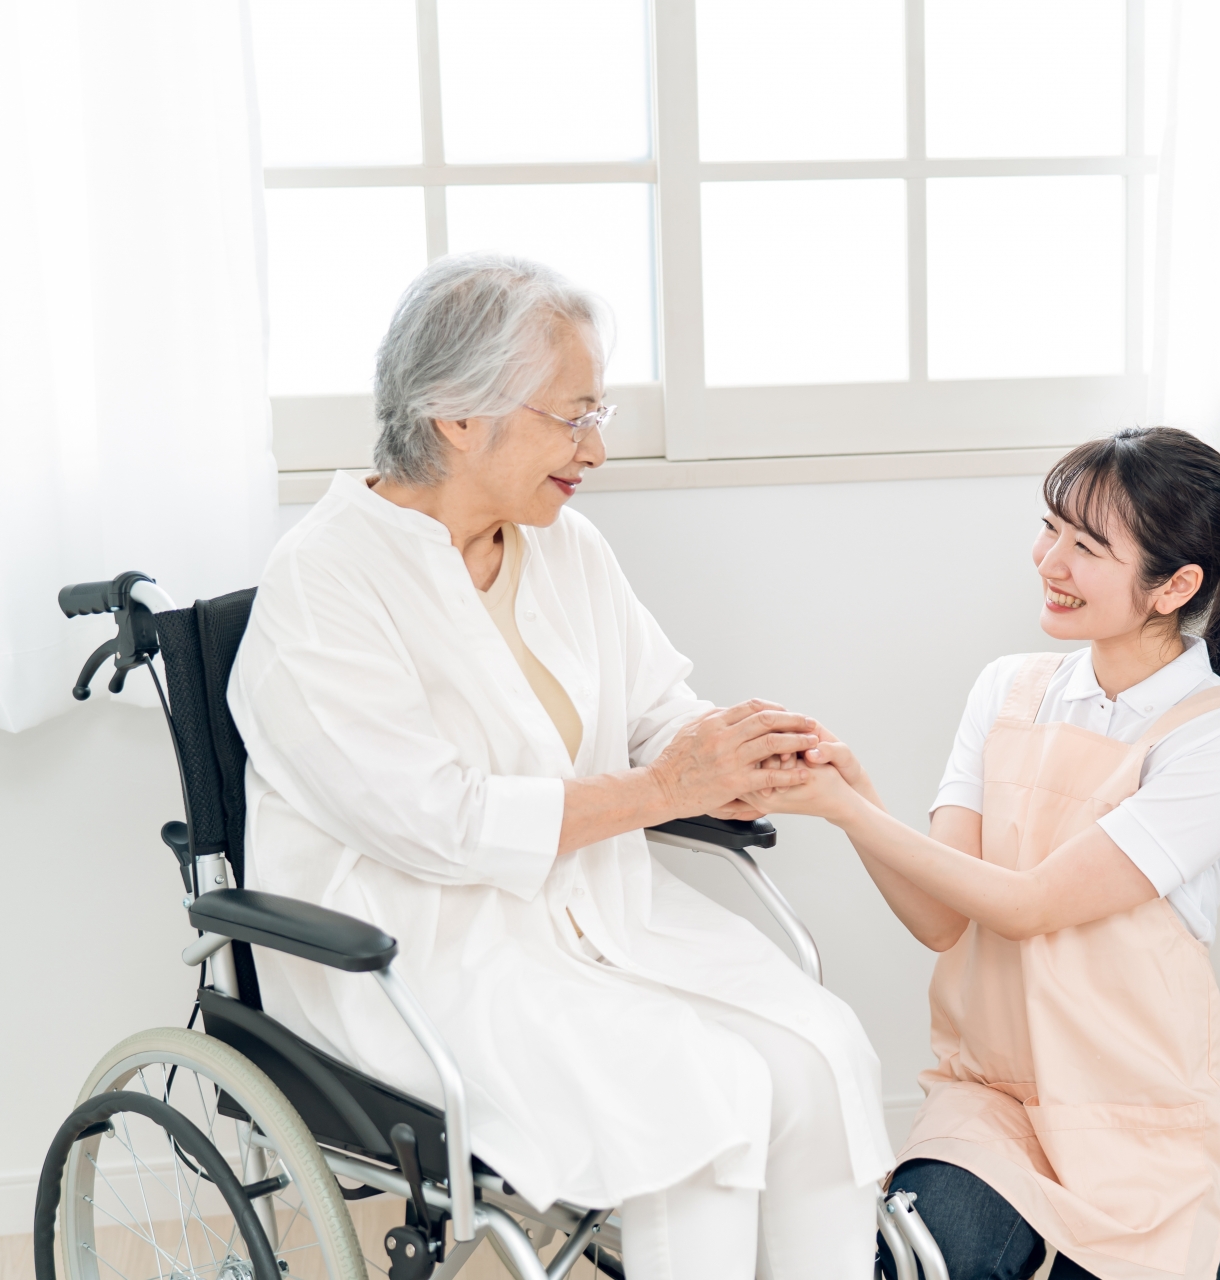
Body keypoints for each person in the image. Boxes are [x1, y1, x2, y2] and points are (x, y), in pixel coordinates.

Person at [227, 253, 893, 1280]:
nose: (598, 446)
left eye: (599, 412)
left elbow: (656, 712)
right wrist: (670, 788)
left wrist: (745, 755)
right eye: (573, 416)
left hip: (598, 915)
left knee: (819, 1053)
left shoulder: (566, 545)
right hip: (422, 957)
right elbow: (437, 823)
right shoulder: (324, 584)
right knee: (696, 1093)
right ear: (455, 414)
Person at [752, 427, 1220, 1280]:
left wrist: (844, 806)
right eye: (1050, 528)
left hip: (1143, 1125)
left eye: (1087, 546)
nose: (1051, 561)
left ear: (1173, 586)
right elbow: (940, 920)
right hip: (995, 1100)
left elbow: (1031, 904)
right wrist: (850, 800)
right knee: (911, 1263)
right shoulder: (1010, 689)